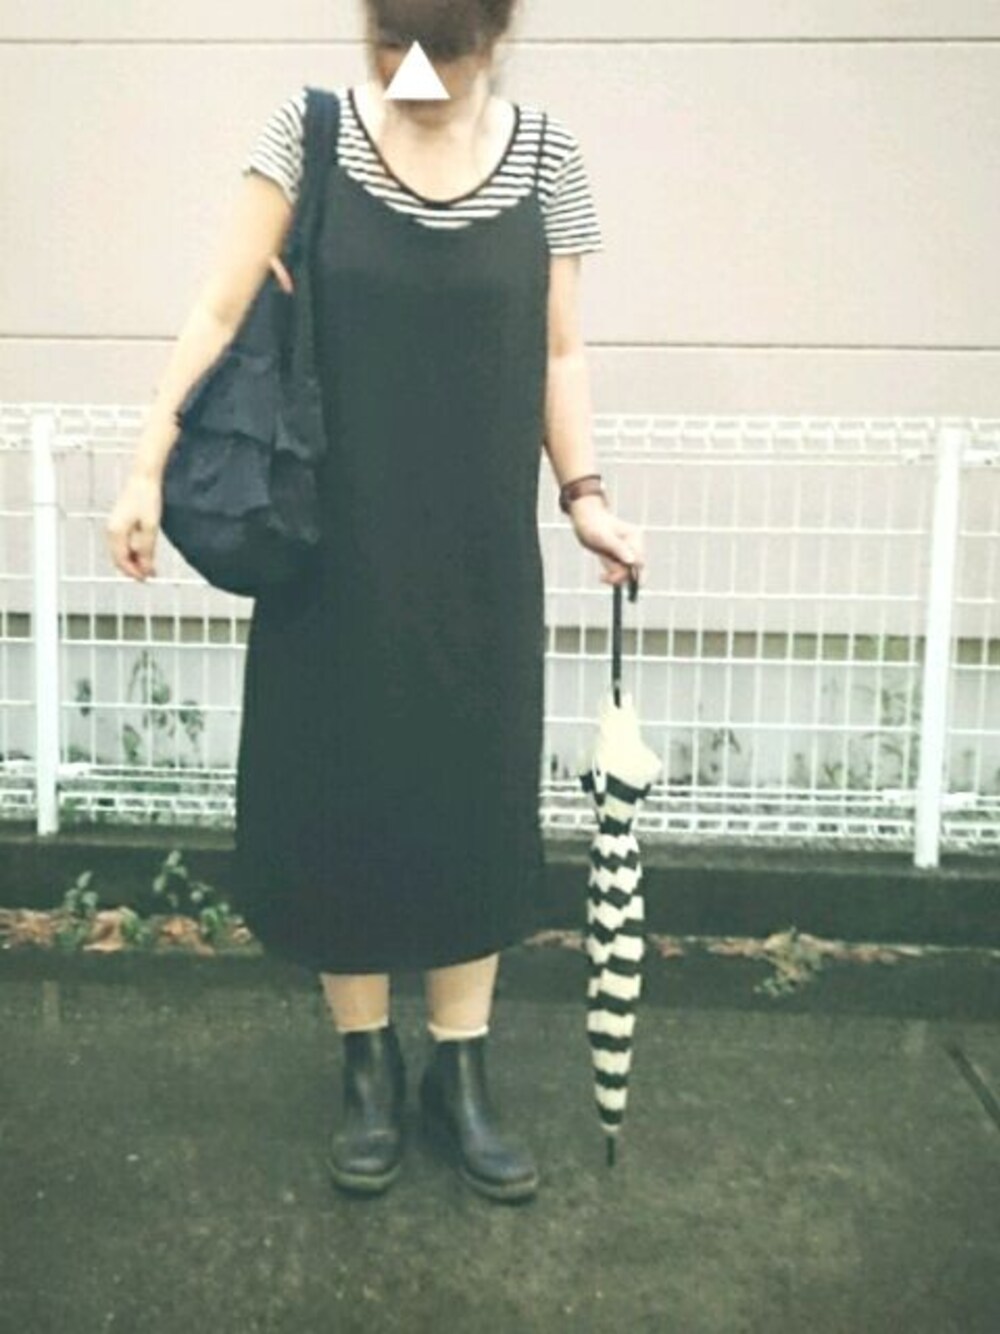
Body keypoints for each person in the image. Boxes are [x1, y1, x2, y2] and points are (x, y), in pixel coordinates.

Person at [105, 0, 645, 1206]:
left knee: (470, 793)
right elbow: (219, 306)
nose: (413, 73)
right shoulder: (306, 136)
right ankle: (366, 1062)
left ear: (494, 37)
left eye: (440, 51)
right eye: (390, 44)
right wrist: (146, 465)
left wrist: (586, 496)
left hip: (475, 557)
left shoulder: (548, 156)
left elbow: (560, 351)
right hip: (328, 551)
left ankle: (460, 1067)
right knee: (334, 792)